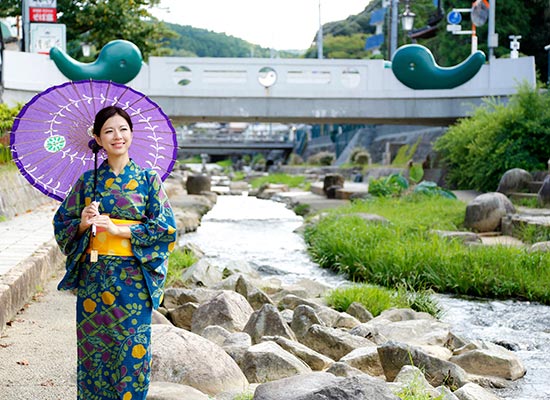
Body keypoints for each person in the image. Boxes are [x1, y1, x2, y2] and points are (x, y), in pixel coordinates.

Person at [53, 105, 177, 400]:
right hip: (95, 281)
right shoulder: (88, 182)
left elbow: (167, 230)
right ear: (97, 137)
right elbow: (62, 225)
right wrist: (83, 224)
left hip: (132, 281)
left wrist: (122, 230)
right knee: (94, 351)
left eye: (122, 129)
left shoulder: (149, 181)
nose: (116, 136)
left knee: (131, 352)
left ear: (132, 134)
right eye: (108, 130)